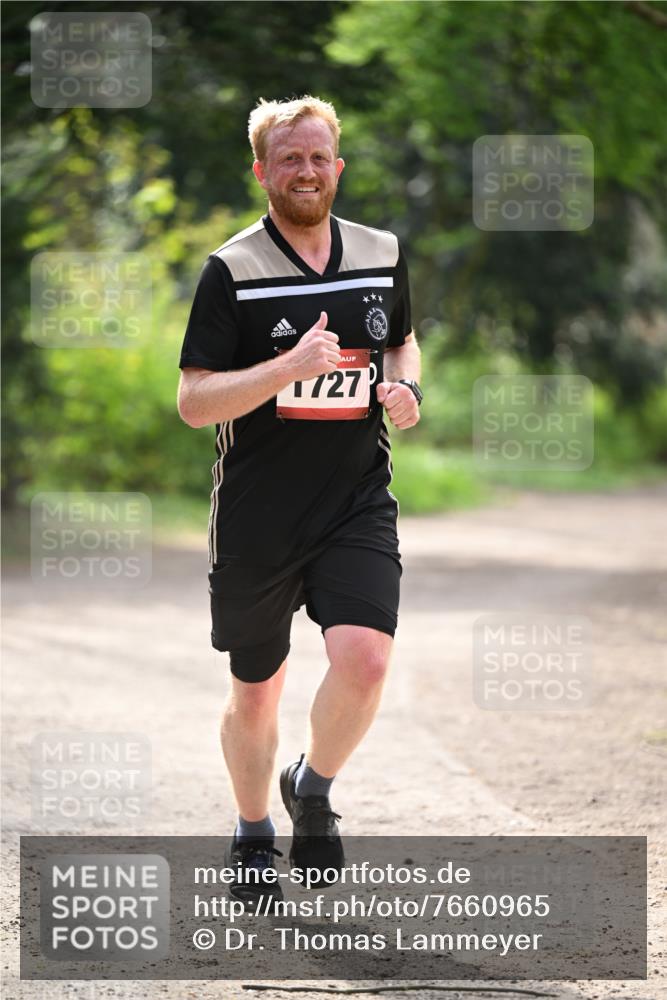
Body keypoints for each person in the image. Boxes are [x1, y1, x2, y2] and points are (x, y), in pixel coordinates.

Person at [177, 95, 422, 908]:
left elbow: (398, 338)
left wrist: (405, 385)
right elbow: (196, 401)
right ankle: (252, 832)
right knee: (257, 687)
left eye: (318, 158)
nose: (306, 172)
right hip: (256, 514)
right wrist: (287, 368)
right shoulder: (231, 270)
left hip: (355, 501)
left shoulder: (382, 251)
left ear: (338, 166)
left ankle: (311, 787)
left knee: (366, 658)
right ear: (262, 171)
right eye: (289, 159)